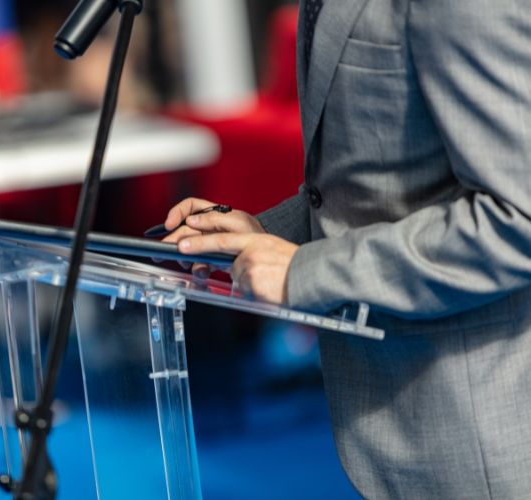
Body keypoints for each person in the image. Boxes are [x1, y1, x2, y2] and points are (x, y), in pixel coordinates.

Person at [161, 0, 531, 497]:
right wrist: (266, 234)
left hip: (478, 428)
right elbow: (378, 186)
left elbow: (518, 220)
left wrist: (308, 271)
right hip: (397, 412)